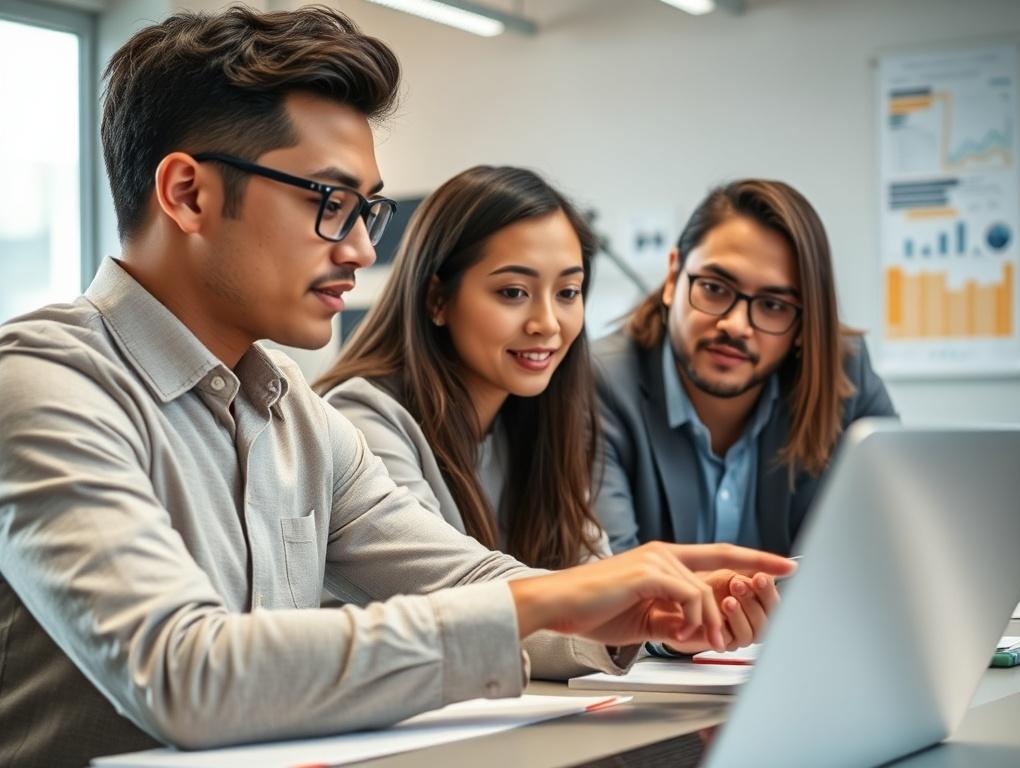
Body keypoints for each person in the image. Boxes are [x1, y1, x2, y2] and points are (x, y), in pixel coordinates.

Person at [0, 8, 793, 766]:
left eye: (365, 212)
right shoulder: (46, 383)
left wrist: (632, 614)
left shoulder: (297, 419)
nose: (356, 249)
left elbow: (468, 580)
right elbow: (183, 672)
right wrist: (555, 598)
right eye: (329, 203)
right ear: (188, 193)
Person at [317, 165, 782, 652]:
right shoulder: (364, 420)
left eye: (567, 293)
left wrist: (675, 623)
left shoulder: (541, 422)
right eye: (513, 292)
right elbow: (460, 606)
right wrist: (626, 605)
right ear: (437, 298)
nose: (547, 323)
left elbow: (594, 586)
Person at [593, 179, 897, 554]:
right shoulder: (598, 383)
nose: (736, 326)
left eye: (773, 305)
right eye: (715, 288)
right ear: (673, 277)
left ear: (804, 326)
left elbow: (896, 542)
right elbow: (610, 580)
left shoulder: (845, 377)